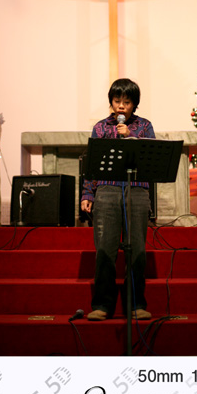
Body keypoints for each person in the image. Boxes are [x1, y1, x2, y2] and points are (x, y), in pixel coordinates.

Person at [81, 78, 155, 321]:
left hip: (137, 190)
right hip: (107, 190)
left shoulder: (144, 126)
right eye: (117, 101)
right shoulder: (101, 128)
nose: (121, 106)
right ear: (111, 102)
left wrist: (131, 136)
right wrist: (88, 193)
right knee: (105, 249)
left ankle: (136, 304)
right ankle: (103, 304)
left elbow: (151, 157)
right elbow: (92, 164)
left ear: (134, 104)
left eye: (127, 102)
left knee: (137, 250)